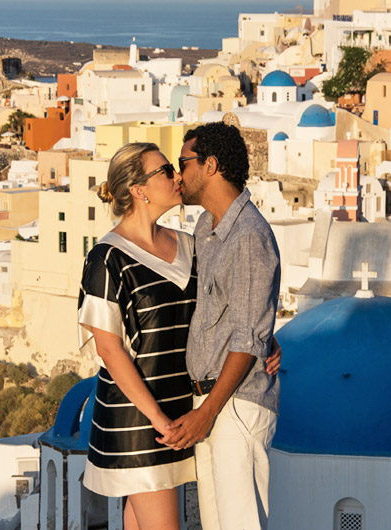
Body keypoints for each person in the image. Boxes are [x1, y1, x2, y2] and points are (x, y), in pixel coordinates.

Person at [78, 142, 279, 530]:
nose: (176, 176)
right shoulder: (107, 257)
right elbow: (108, 347)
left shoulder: (190, 244)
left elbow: (227, 304)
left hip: (181, 410)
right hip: (141, 420)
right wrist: (159, 421)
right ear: (139, 189)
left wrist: (264, 336)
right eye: (166, 170)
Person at [158, 122, 281, 530]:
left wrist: (207, 412)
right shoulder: (207, 229)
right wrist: (268, 338)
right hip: (210, 404)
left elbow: (247, 337)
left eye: (183, 163)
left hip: (233, 406)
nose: (178, 175)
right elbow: (240, 318)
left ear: (210, 165)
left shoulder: (247, 236)